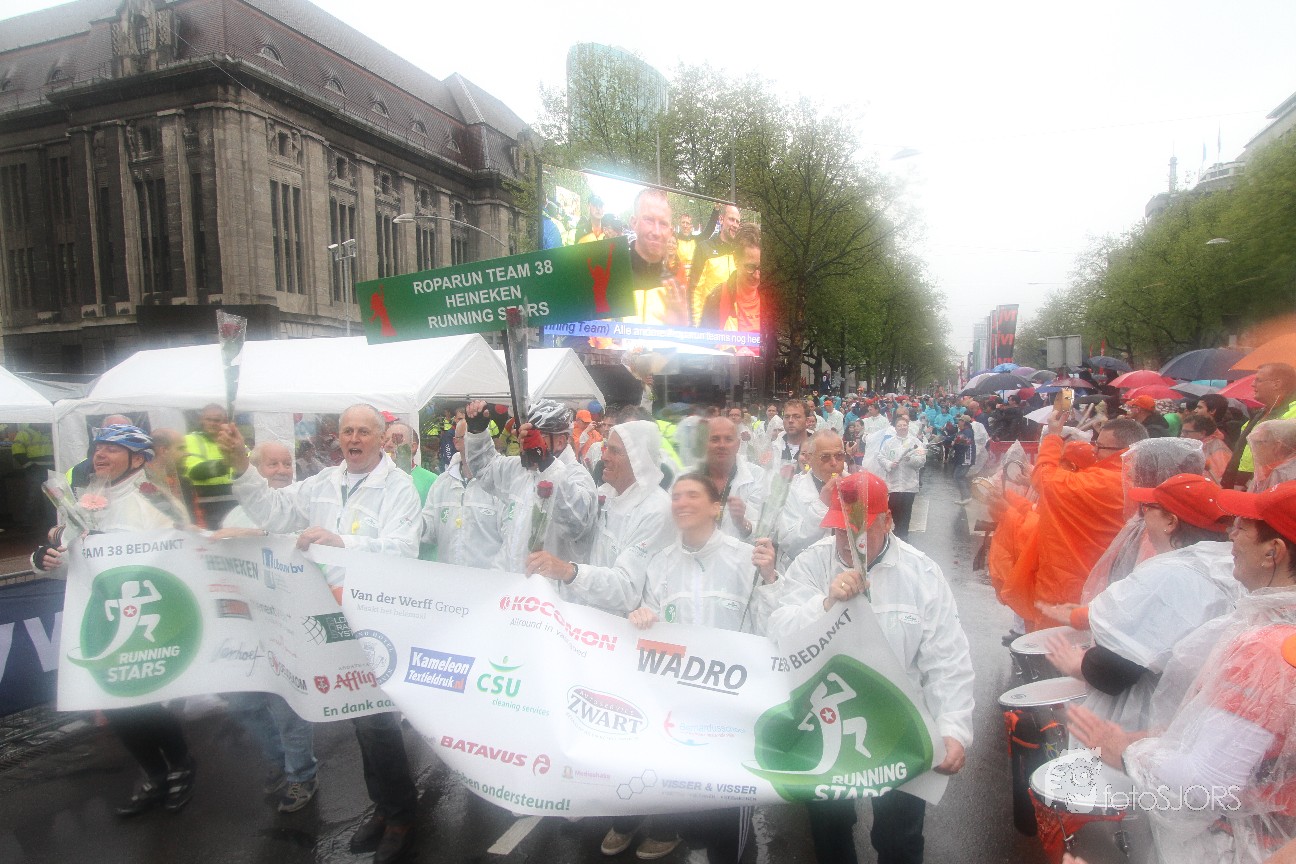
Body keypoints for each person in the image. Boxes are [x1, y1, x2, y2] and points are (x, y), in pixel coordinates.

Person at [217, 405, 421, 863]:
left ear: (381, 439)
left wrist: (343, 543)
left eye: (363, 431)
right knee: (358, 719)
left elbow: (404, 550)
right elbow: (274, 511)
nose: (354, 438)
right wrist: (241, 467)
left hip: (375, 620)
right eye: (347, 430)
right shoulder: (323, 482)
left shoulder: (400, 488)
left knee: (378, 721)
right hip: (329, 619)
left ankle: (402, 816)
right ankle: (383, 808)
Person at [1068, 479, 1296, 864]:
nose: (1230, 533)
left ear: (1273, 551)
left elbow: (1203, 786)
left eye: (1243, 527)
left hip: (1242, 847)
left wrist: (1126, 750)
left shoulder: (1267, 649)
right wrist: (1157, 738)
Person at [764, 471, 974, 864]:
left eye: (858, 530)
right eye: (839, 530)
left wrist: (953, 728)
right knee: (830, 827)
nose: (847, 541)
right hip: (828, 723)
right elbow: (779, 629)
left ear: (887, 521)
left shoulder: (921, 573)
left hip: (899, 722)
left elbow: (947, 658)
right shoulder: (811, 564)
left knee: (899, 836)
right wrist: (825, 605)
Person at [606, 472, 776, 861]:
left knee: (728, 832)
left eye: (692, 495)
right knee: (692, 821)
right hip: (682, 718)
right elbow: (653, 628)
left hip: (732, 717)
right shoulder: (661, 564)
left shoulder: (745, 559)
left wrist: (770, 579)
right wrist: (643, 617)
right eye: (676, 496)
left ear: (717, 506)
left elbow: (771, 630)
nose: (681, 502)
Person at [32, 426, 197, 817]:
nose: (100, 454)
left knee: (145, 698)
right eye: (98, 447)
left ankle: (181, 765)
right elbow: (71, 562)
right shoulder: (86, 500)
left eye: (112, 448)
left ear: (138, 459)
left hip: (147, 616)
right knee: (113, 700)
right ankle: (155, 773)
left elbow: (179, 557)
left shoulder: (156, 501)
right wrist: (44, 560)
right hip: (102, 615)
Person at [1045, 473, 1240, 732]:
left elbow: (1112, 671)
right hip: (1189, 721)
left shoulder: (1169, 576)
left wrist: (1075, 664)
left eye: (1148, 508)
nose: (1143, 517)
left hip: (1136, 725)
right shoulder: (1230, 568)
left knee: (1085, 760)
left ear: (1171, 521)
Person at [211, 440, 321, 813]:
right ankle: (278, 758)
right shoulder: (234, 515)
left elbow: (304, 546)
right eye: (272, 464)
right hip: (250, 627)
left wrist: (255, 538)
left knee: (288, 706)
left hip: (290, 625)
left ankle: (301, 775)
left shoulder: (304, 507)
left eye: (287, 463)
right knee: (242, 703)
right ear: (254, 470)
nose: (282, 470)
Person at [525, 420, 674, 616]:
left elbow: (628, 589)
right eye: (606, 448)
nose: (604, 457)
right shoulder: (607, 494)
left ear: (638, 459)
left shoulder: (656, 510)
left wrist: (567, 571)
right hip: (588, 618)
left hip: (621, 627)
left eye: (614, 451)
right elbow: (575, 524)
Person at [1027, 415, 1148, 629]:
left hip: (1075, 585)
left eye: (1100, 446)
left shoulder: (1102, 482)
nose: (1094, 451)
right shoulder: (1142, 477)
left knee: (1057, 644)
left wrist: (1053, 436)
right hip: (1117, 586)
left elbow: (1044, 479)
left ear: (1122, 451)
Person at [463, 398, 597, 571]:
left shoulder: (578, 476)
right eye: (523, 434)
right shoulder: (521, 469)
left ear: (560, 441)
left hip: (549, 585)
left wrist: (546, 463)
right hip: (512, 580)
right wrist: (478, 432)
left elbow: (576, 524)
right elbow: (485, 469)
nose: (524, 442)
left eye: (536, 436)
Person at [420, 418, 504, 567]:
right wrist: (415, 523)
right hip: (448, 577)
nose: (477, 441)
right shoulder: (442, 483)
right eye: (470, 436)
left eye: (482, 436)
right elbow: (430, 529)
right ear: (456, 442)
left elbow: (510, 539)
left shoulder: (499, 483)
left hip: (488, 579)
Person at [776, 431, 847, 568]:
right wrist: (821, 505)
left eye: (839, 456)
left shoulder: (858, 485)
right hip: (805, 569)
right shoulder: (792, 490)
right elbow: (790, 545)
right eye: (825, 457)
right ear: (809, 459)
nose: (834, 463)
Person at [622, 188, 689, 327]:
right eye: (649, 220)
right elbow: (578, 333)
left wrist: (681, 330)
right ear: (633, 222)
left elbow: (680, 338)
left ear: (670, 231)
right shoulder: (608, 276)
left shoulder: (673, 289)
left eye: (663, 223)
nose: (656, 232)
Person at [1225, 362, 1296, 489]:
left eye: (1259, 380)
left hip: (1274, 487)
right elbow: (1241, 451)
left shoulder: (1293, 411)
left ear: (1277, 384)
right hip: (1245, 484)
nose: (1253, 384)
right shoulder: (1261, 412)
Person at [696, 416, 767, 543]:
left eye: (728, 439)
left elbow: (762, 529)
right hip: (697, 551)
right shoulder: (688, 477)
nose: (722, 445)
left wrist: (742, 523)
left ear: (737, 445)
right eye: (715, 439)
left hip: (739, 553)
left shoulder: (757, 476)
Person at [699, 223, 762, 346]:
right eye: (750, 267)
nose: (757, 275)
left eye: (761, 268)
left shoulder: (771, 295)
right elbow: (704, 348)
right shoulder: (716, 299)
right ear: (736, 260)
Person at [184, 403, 239, 525]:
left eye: (217, 420)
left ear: (225, 421)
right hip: (204, 509)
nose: (213, 423)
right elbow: (194, 472)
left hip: (235, 508)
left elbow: (250, 463)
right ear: (201, 420)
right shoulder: (190, 440)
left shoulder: (234, 440)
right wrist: (225, 464)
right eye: (209, 419)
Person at [690, 204, 742, 325]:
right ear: (721, 219)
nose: (735, 225)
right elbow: (695, 290)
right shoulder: (704, 248)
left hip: (734, 326)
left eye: (737, 221)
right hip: (710, 323)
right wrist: (696, 326)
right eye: (731, 219)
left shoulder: (740, 252)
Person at [875, 416, 925, 539]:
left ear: (908, 426)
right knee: (894, 510)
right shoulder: (889, 443)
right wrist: (889, 464)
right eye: (899, 425)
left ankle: (903, 535)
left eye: (904, 425)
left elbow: (921, 460)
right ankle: (898, 530)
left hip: (909, 485)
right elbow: (881, 457)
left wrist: (910, 460)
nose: (902, 427)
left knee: (906, 511)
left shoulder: (916, 442)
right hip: (894, 484)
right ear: (895, 428)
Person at [383, 421, 436, 504]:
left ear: (412, 447)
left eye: (395, 440)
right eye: (386, 441)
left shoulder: (432, 481)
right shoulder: (375, 477)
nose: (388, 445)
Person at [1247, 418, 1296, 492]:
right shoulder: (1269, 469)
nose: (1253, 447)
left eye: (1257, 442)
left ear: (1277, 446)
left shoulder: (1287, 478)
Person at [1181, 413, 1232, 484]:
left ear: (1202, 433)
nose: (1182, 435)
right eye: (1182, 431)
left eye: (1186, 432)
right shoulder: (1196, 446)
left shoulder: (1218, 448)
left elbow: (1219, 479)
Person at [769, 398, 811, 465]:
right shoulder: (772, 447)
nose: (790, 420)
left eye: (796, 416)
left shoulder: (819, 448)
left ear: (807, 421)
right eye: (787, 417)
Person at [951, 415, 978, 504]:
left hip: (966, 458)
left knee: (958, 476)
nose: (958, 422)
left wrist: (955, 443)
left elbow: (963, 444)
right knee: (958, 476)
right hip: (961, 457)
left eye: (960, 421)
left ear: (964, 422)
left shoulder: (967, 432)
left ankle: (967, 497)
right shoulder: (963, 431)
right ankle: (965, 497)